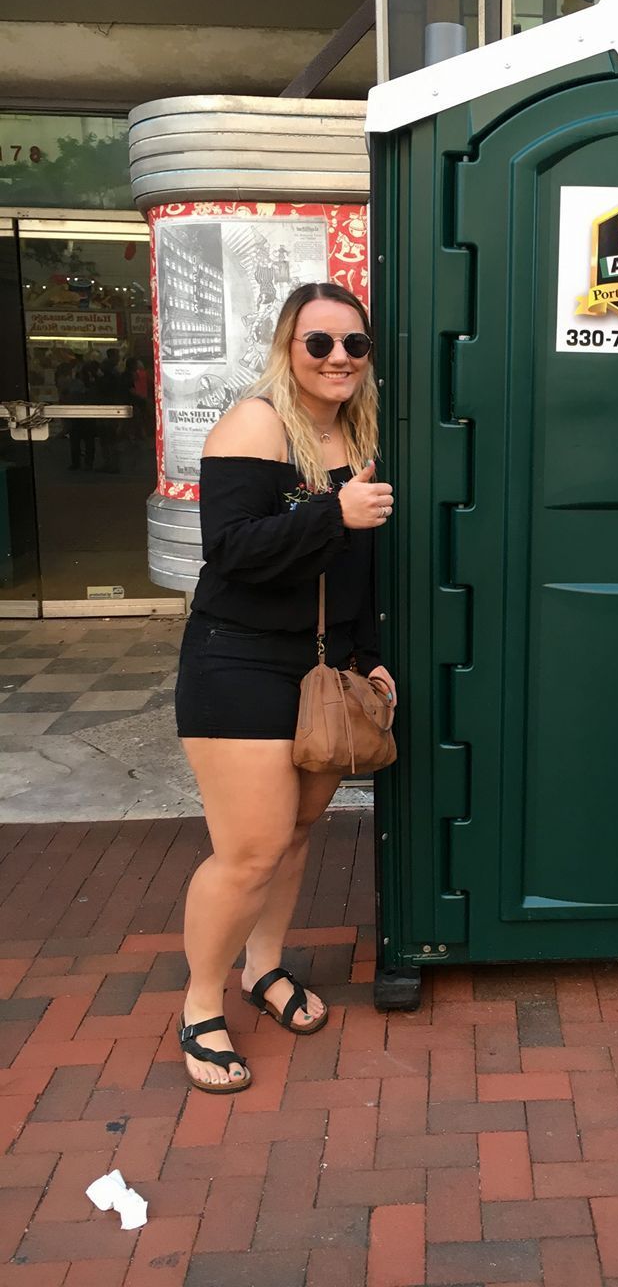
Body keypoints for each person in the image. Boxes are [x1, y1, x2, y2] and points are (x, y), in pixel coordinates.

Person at [172, 281, 396, 1093]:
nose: (339, 358)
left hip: (323, 669)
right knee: (251, 848)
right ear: (289, 348)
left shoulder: (359, 432)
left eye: (354, 345)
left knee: (297, 833)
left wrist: (367, 653)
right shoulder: (258, 422)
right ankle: (201, 1003)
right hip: (238, 661)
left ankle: (261, 970)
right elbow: (231, 550)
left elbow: (356, 571)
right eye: (320, 343)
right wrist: (337, 511)